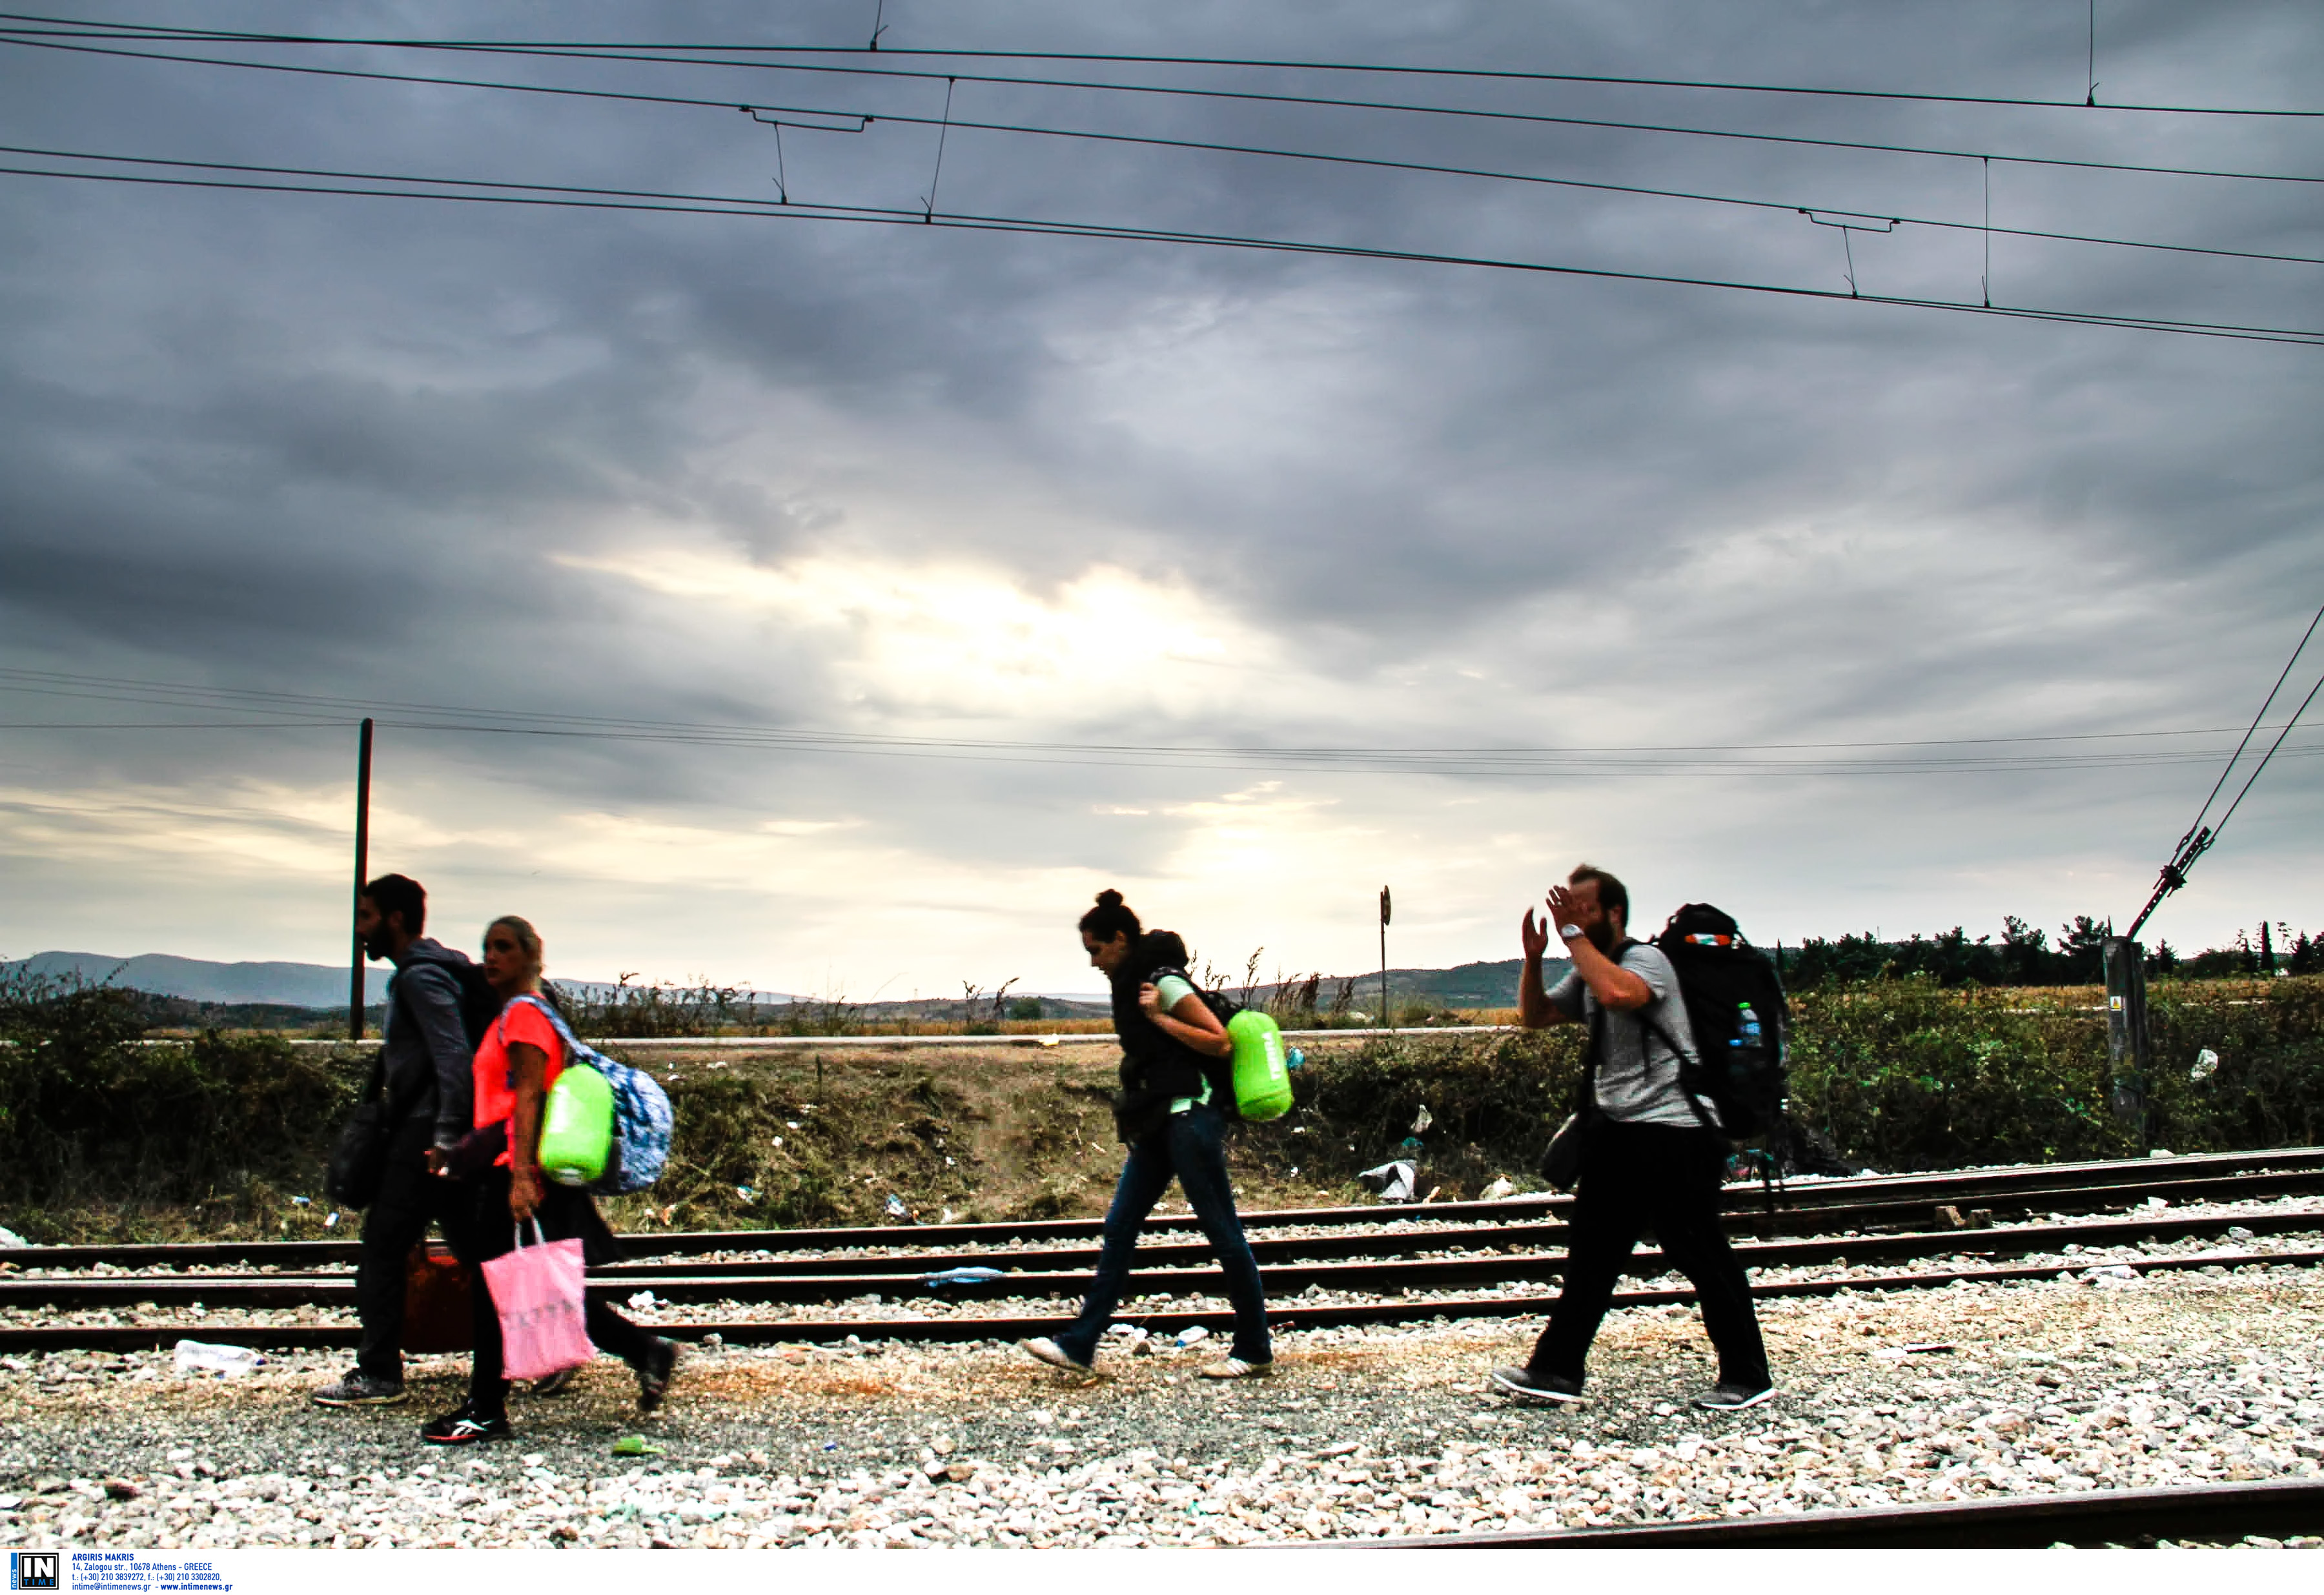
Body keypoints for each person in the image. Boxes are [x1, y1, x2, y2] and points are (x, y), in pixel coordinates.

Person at [1491, 864, 1774, 1411]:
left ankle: (1749, 1374)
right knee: (1592, 1255)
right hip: (1620, 1131)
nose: (1572, 916)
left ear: (1615, 913)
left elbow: (1622, 994)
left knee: (1698, 1249)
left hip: (1676, 1131)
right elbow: (1536, 1015)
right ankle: (1556, 1370)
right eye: (1566, 908)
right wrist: (1532, 957)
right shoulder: (1590, 969)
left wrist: (1572, 939)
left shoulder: (1645, 960)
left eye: (1584, 908)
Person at [420, 915, 678, 1444]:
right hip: (514, 1170)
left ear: (531, 957)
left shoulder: (523, 1017)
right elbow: (502, 1105)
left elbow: (529, 1097)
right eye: (487, 947)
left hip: (521, 1174)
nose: (491, 957)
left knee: (503, 1290)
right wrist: (463, 1153)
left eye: (504, 948)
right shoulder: (513, 1015)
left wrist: (520, 1178)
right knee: (541, 1290)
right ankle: (646, 1351)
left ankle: (486, 1408)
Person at [1019, 891, 1272, 1379]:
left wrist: (1159, 1016)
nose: (1094, 962)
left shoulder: (1163, 981)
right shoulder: (1130, 982)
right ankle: (1079, 1345)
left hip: (1190, 1117)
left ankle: (1255, 1347)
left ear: (1120, 939)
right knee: (1119, 1229)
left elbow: (1219, 1041)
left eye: (1097, 950)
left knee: (1222, 1231)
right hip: (1158, 1122)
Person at [312, 873, 478, 1408]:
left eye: (366, 917)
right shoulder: (438, 970)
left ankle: (379, 1372)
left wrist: (445, 1135)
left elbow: (453, 1057)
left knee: (383, 1249)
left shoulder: (419, 978)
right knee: (482, 1252)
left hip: (425, 1136)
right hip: (438, 1132)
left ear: (395, 919)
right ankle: (559, 1352)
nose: (360, 930)